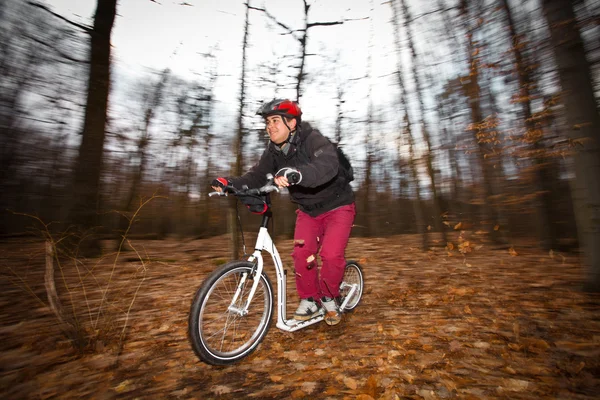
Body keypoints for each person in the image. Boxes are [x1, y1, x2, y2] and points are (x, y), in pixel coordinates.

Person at [211, 99, 356, 326]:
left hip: (338, 207)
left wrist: (298, 173)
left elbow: (327, 165)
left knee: (330, 255)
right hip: (308, 211)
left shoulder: (313, 139)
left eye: (275, 121)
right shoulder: (274, 151)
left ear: (292, 123)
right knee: (301, 254)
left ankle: (329, 296)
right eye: (268, 122)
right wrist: (228, 182)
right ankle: (310, 300)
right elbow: (256, 176)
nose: (270, 126)